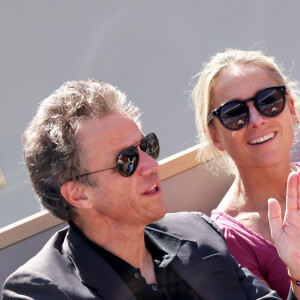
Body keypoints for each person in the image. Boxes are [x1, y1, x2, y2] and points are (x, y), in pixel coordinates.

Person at [1, 79, 299, 300]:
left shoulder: (200, 233)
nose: (151, 165)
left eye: (147, 146)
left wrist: (297, 272)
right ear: (78, 194)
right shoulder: (38, 292)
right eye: (126, 160)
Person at [192, 49, 300, 299]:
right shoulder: (227, 243)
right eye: (233, 113)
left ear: (291, 109)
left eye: (269, 100)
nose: (256, 119)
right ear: (216, 137)